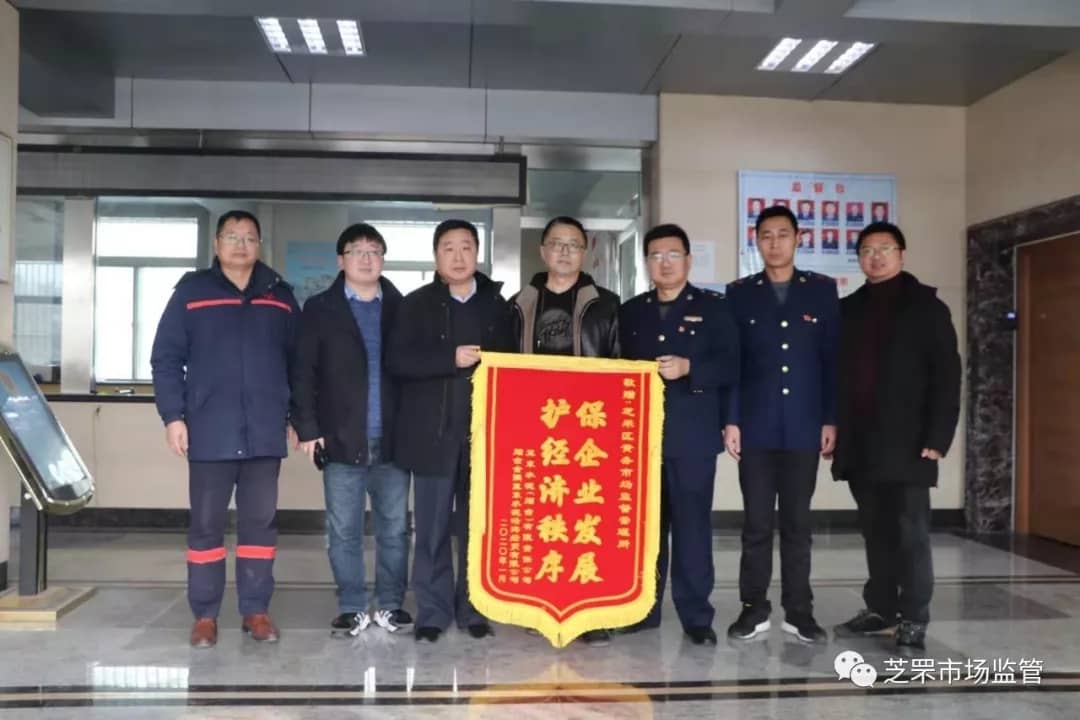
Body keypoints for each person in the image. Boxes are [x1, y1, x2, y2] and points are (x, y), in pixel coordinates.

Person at [151, 209, 299, 648]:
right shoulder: (191, 293)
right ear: (216, 245)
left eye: (249, 237)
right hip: (209, 431)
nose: (240, 244)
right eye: (232, 237)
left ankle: (256, 610)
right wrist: (173, 417)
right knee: (206, 526)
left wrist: (297, 417)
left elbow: (299, 362)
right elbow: (165, 359)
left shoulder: (280, 296)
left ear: (259, 245)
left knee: (260, 526)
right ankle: (205, 614)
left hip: (264, 432)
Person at [831, 222, 960, 651]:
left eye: (884, 248)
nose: (876, 256)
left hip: (911, 441)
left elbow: (947, 376)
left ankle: (914, 616)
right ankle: (881, 608)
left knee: (910, 532)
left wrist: (939, 436)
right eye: (867, 250)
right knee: (875, 530)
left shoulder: (927, 306)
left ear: (901, 254)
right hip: (862, 439)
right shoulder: (849, 308)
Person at [387, 219, 516, 644]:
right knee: (432, 528)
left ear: (477, 253)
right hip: (431, 435)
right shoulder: (415, 304)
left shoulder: (498, 307)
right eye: (448, 248)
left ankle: (474, 609)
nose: (458, 257)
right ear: (436, 256)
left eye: (466, 247)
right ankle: (433, 611)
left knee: (478, 527)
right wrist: (449, 358)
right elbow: (398, 362)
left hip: (485, 436)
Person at [618, 223, 740, 646]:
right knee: (645, 529)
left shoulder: (714, 308)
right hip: (640, 438)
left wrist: (691, 369)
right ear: (646, 263)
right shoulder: (632, 311)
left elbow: (732, 365)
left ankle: (696, 615)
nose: (665, 263)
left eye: (673, 255)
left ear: (688, 260)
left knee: (692, 528)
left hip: (692, 436)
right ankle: (643, 609)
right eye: (656, 256)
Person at [290, 223, 413, 638]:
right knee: (344, 530)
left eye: (374, 251)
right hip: (341, 438)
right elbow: (303, 373)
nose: (366, 258)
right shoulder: (320, 309)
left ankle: (391, 605)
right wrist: (308, 427)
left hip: (394, 440)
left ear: (383, 260)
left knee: (395, 529)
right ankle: (353, 606)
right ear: (341, 260)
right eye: (356, 251)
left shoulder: (402, 308)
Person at [724, 204, 839, 644]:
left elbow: (831, 361)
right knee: (756, 524)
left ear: (798, 239)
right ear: (756, 241)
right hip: (755, 426)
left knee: (797, 524)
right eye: (766, 236)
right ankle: (753, 608)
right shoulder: (740, 294)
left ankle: (799, 611)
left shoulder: (821, 291)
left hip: (804, 427)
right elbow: (734, 363)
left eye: (783, 234)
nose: (774, 243)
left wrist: (830, 419)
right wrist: (732, 420)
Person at [510, 215, 620, 646]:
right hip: (535, 433)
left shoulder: (607, 304)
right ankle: (539, 606)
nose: (564, 251)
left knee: (589, 525)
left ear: (584, 252)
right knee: (542, 523)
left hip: (589, 436)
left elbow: (622, 369)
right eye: (556, 243)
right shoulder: (519, 304)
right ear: (542, 251)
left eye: (573, 244)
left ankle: (591, 613)